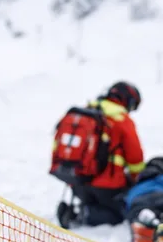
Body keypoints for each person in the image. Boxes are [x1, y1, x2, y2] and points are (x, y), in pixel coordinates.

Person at [51, 81, 146, 228]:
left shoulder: (85, 111)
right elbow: (135, 158)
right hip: (108, 186)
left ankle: (76, 210)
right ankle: (87, 214)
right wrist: (138, 179)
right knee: (120, 214)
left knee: (89, 196)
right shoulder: (121, 118)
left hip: (77, 180)